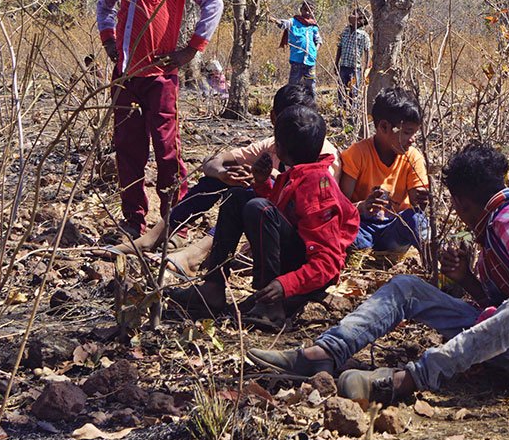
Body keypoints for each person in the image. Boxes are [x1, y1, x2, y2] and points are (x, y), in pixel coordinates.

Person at [246, 143, 509, 406]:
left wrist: (484, 315)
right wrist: (468, 281)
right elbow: (498, 308)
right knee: (406, 287)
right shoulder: (494, 222)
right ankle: (325, 353)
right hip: (501, 343)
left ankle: (409, 379)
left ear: (461, 203)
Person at [95, 0, 223, 238]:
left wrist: (191, 50)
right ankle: (133, 220)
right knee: (127, 148)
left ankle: (173, 223)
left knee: (168, 150)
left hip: (160, 78)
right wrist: (109, 41)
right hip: (125, 76)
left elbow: (212, 2)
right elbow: (104, 7)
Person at [109, 84, 339, 271]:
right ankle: (157, 234)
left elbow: (312, 204)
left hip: (294, 238)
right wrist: (224, 173)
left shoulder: (322, 153)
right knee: (219, 181)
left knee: (243, 195)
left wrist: (265, 179)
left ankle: (197, 254)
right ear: (273, 119)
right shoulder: (272, 145)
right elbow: (212, 161)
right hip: (270, 218)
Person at [166, 106, 357, 330]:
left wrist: (285, 285)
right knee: (237, 196)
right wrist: (262, 182)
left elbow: (329, 262)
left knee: (259, 208)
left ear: (280, 148)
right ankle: (213, 285)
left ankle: (271, 305)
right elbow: (286, 214)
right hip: (295, 260)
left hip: (308, 274)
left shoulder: (318, 185)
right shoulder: (298, 173)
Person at [339, 87, 430, 254]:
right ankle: (364, 253)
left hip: (393, 230)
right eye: (407, 132)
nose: (412, 140)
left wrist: (421, 202)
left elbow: (416, 208)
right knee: (341, 230)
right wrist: (363, 207)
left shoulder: (413, 157)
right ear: (384, 127)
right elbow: (341, 206)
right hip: (362, 228)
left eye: (415, 133)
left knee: (418, 221)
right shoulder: (357, 154)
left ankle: (433, 264)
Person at [279, 1, 320, 98]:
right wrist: (273, 20)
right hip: (297, 60)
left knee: (310, 85)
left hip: (310, 61)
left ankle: (311, 105)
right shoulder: (294, 21)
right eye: (305, 10)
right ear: (301, 10)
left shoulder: (313, 26)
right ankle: (291, 105)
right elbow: (284, 24)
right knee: (293, 84)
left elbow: (318, 40)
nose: (308, 13)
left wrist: (314, 52)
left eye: (310, 11)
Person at [335, 9, 371, 106]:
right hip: (343, 67)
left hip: (355, 69)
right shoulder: (345, 31)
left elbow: (367, 53)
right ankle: (341, 112)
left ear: (360, 20)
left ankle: (353, 115)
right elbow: (340, 47)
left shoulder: (364, 36)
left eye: (353, 14)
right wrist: (336, 63)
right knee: (341, 90)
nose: (350, 16)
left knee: (353, 92)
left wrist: (366, 70)